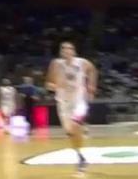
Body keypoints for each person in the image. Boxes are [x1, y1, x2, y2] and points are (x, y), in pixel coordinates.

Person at [46, 42, 98, 177]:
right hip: (63, 103)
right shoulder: (56, 64)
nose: (66, 50)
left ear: (74, 51)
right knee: (70, 133)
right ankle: (81, 157)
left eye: (69, 48)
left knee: (75, 125)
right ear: (60, 52)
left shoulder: (82, 63)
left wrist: (91, 86)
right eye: (63, 48)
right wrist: (56, 86)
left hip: (79, 101)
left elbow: (93, 70)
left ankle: (81, 127)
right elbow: (48, 84)